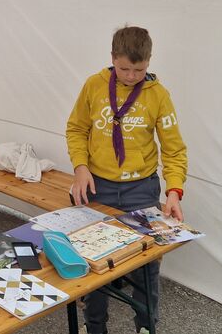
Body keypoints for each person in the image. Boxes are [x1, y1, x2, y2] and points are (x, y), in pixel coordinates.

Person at [65, 26, 187, 334]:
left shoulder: (158, 95)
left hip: (140, 189)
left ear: (149, 62)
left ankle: (146, 327)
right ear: (112, 58)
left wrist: (174, 191)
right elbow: (76, 129)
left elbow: (174, 150)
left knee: (146, 265)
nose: (131, 76)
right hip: (98, 186)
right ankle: (95, 327)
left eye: (139, 70)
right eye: (124, 69)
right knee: (95, 261)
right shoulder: (94, 86)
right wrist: (80, 167)